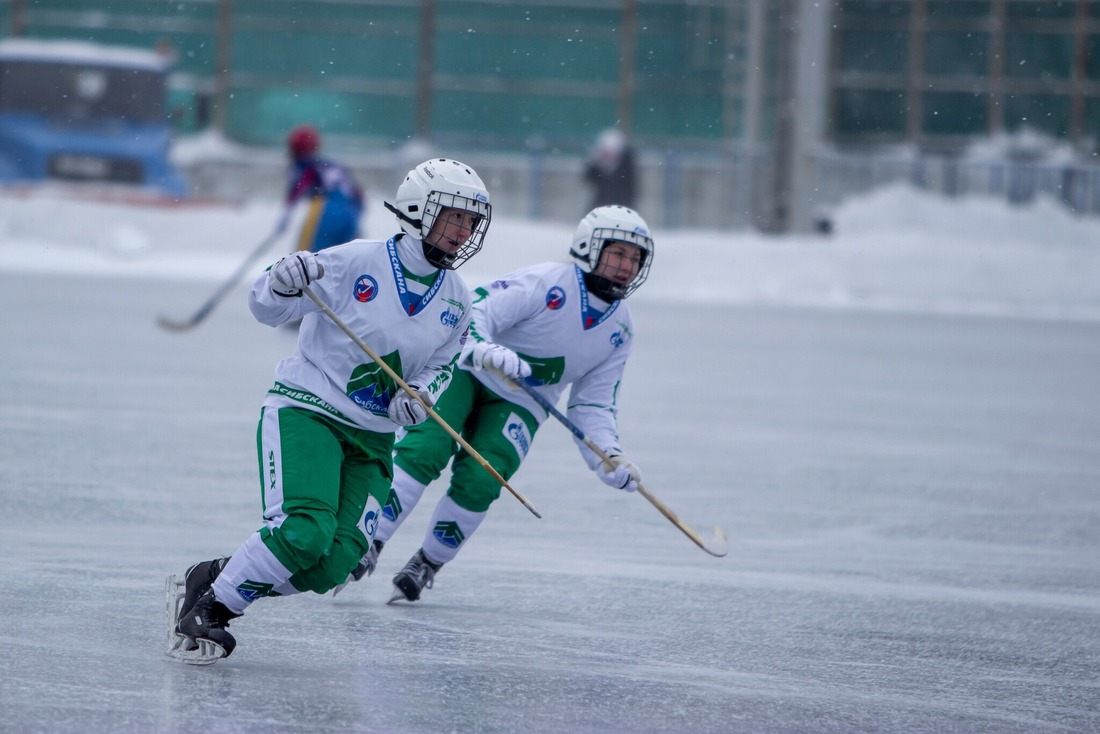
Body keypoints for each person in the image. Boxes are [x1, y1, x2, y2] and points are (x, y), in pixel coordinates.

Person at [166, 158, 492, 663]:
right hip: (309, 411)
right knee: (304, 531)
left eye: (471, 222)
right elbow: (266, 309)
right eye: (453, 216)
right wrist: (281, 279)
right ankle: (213, 609)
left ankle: (214, 577)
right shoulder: (357, 260)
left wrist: (420, 398)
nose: (463, 231)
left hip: (374, 440)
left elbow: (443, 366)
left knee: (334, 563)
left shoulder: (457, 300)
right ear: (415, 210)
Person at [341, 204, 654, 604]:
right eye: (618, 253)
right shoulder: (547, 283)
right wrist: (484, 350)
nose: (626, 266)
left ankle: (428, 563)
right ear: (589, 248)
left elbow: (592, 404)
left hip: (524, 402)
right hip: (468, 373)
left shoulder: (621, 330)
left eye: (635, 258)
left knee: (483, 479)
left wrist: (607, 454)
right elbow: (473, 312)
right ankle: (371, 540)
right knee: (424, 450)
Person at [279, 124, 366, 253]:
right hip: (351, 212)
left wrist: (286, 216)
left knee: (306, 259)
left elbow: (297, 188)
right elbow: (358, 195)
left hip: (325, 209)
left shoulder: (304, 166)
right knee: (344, 260)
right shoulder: (335, 166)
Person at [583, 128, 638, 210]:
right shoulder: (599, 166)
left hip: (621, 206)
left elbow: (629, 191)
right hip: (601, 205)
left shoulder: (626, 168)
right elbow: (588, 179)